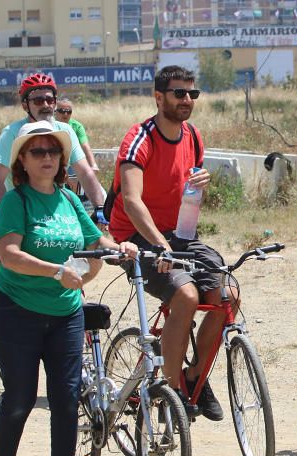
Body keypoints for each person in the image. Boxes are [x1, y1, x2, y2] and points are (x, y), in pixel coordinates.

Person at [0, 121, 137, 456]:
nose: (48, 158)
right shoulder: (14, 202)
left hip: (66, 311)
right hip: (16, 310)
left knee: (67, 395)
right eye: (38, 152)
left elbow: (93, 237)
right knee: (20, 396)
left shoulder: (68, 199)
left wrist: (119, 247)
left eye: (53, 151)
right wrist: (56, 271)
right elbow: (10, 255)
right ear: (22, 159)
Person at [106, 65, 227, 421]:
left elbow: (187, 193)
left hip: (180, 236)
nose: (186, 100)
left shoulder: (193, 137)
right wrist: (161, 246)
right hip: (137, 238)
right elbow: (131, 200)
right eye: (178, 93)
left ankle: (194, 378)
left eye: (192, 93)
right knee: (186, 296)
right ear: (159, 97)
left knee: (227, 296)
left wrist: (200, 184)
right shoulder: (140, 138)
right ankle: (171, 395)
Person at [0, 74, 107, 223]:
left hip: (57, 210)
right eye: (38, 101)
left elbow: (85, 172)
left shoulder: (66, 131)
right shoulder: (12, 133)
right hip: (22, 209)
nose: (45, 105)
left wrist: (100, 207)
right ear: (25, 105)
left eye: (50, 100)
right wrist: (6, 218)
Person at [54, 97, 102, 192]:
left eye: (69, 111)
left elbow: (85, 146)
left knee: (77, 184)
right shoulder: (49, 125)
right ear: (55, 111)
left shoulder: (77, 126)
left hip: (71, 162)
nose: (65, 114)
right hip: (54, 162)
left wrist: (93, 164)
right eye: (62, 111)